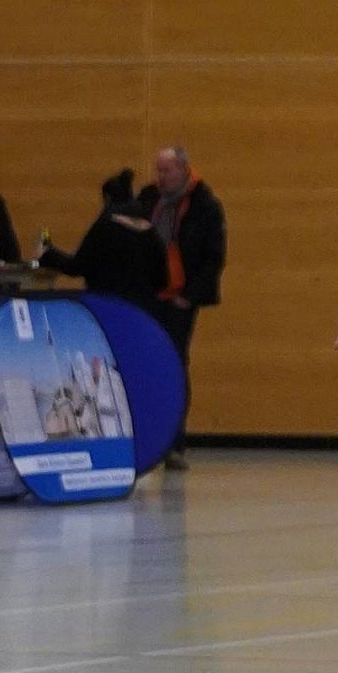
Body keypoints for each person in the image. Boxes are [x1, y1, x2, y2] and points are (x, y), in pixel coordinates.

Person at [136, 145, 227, 469]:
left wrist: (190, 296)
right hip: (150, 297)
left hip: (179, 299)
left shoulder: (205, 205)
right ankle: (146, 438)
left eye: (167, 171)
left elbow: (213, 257)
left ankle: (175, 443)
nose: (161, 177)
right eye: (158, 170)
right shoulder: (148, 200)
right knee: (144, 366)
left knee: (174, 364)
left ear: (184, 170)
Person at [37, 168, 169, 307]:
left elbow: (77, 267)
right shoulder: (149, 231)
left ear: (107, 198)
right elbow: (162, 280)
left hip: (108, 304)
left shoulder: (105, 227)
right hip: (143, 308)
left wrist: (47, 254)